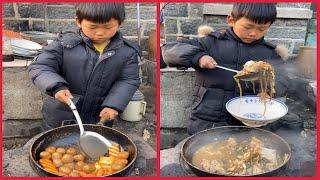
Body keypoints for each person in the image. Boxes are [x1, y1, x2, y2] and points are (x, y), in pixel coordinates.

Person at [162, 3, 289, 135]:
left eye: (261, 29)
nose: (253, 33)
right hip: (208, 117)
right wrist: (198, 57)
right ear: (231, 20)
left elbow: (282, 78)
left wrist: (269, 91)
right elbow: (169, 50)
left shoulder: (269, 53)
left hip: (251, 119)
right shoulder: (210, 42)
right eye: (248, 27)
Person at [28, 3, 141, 131]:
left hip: (99, 116)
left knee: (94, 148)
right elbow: (40, 66)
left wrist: (114, 105)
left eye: (107, 27)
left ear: (120, 23)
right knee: (55, 144)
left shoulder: (127, 51)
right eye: (92, 27)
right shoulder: (64, 44)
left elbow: (128, 80)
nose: (99, 33)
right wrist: (56, 87)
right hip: (61, 113)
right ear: (78, 22)